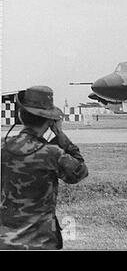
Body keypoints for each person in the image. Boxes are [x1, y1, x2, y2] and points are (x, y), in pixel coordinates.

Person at [0, 86, 88, 250]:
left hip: (5, 241)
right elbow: (80, 171)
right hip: (41, 242)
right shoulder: (52, 154)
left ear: (20, 115)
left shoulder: (3, 148)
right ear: (49, 121)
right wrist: (60, 136)